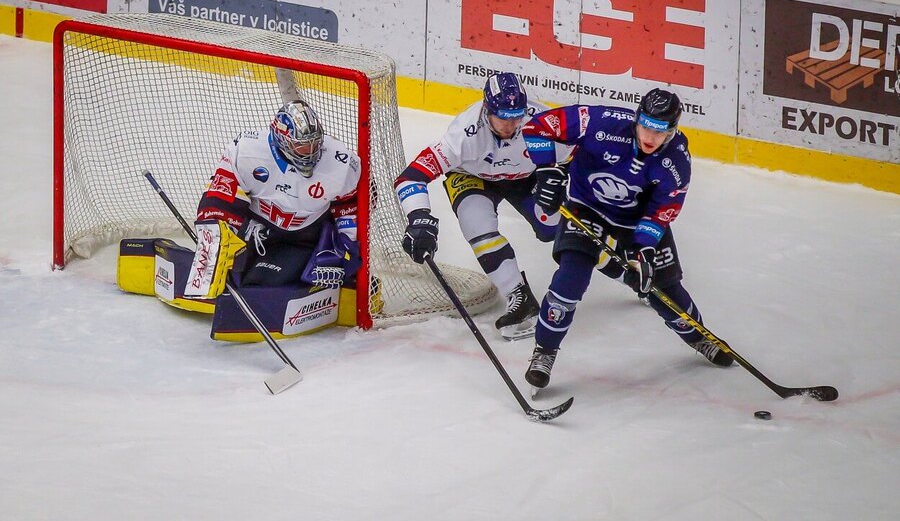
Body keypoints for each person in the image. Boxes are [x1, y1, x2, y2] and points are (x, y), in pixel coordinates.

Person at [520, 88, 734, 390]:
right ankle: (544, 351)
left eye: (660, 131)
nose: (650, 136)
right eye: (645, 125)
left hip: (636, 221)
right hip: (586, 208)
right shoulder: (600, 122)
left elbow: (664, 209)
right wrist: (546, 171)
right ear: (636, 118)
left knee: (663, 289)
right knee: (571, 278)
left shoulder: (676, 161)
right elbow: (537, 126)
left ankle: (700, 338)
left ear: (673, 130)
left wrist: (644, 247)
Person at [394, 73, 563, 341]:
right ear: (486, 109)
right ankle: (519, 296)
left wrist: (561, 182)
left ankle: (623, 268)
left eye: (516, 115)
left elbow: (577, 157)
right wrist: (419, 218)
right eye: (503, 117)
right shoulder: (464, 134)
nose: (511, 125)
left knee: (557, 226)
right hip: (472, 177)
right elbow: (411, 176)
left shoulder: (542, 122)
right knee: (478, 228)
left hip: (528, 176)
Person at [184, 99, 361, 300]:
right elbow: (219, 197)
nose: (310, 152)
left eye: (314, 143)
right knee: (234, 276)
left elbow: (352, 205)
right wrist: (216, 238)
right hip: (255, 232)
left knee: (260, 284)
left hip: (301, 240)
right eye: (302, 146)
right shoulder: (248, 150)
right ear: (282, 140)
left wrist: (343, 244)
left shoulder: (342, 162)